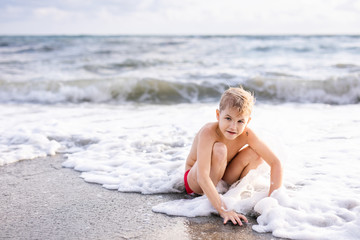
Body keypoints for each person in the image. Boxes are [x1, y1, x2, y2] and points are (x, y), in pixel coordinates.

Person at [184, 86, 283, 226]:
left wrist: (272, 203)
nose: (233, 127)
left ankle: (226, 193)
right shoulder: (208, 132)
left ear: (247, 121)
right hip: (196, 182)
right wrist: (223, 210)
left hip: (222, 177)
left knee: (256, 154)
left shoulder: (247, 134)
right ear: (218, 116)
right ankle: (216, 198)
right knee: (220, 149)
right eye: (228, 118)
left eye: (240, 121)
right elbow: (202, 176)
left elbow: (275, 163)